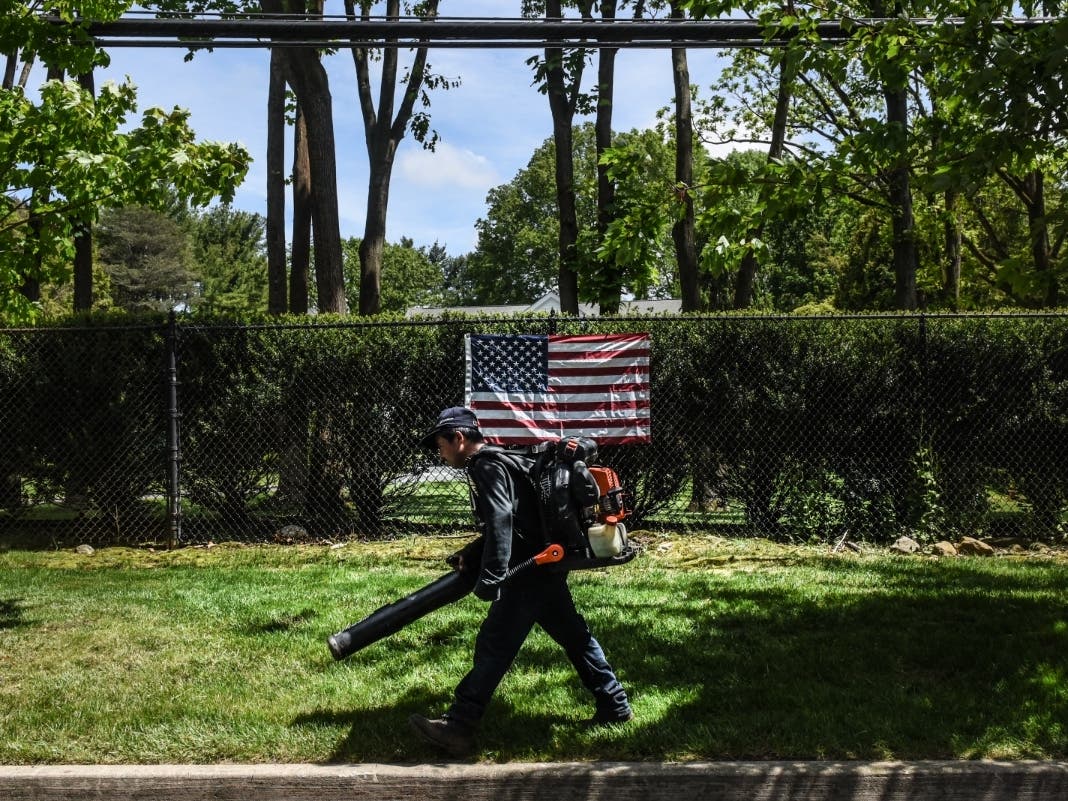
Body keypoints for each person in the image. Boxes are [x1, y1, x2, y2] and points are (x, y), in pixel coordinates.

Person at [408, 406, 633, 756]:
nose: (440, 453)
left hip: (527, 570)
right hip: (542, 563)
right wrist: (474, 551)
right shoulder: (504, 460)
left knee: (495, 644)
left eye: (441, 444)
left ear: (459, 438)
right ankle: (614, 704)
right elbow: (518, 517)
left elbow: (501, 521)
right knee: (574, 635)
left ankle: (460, 725)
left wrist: (493, 576)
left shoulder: (485, 465)